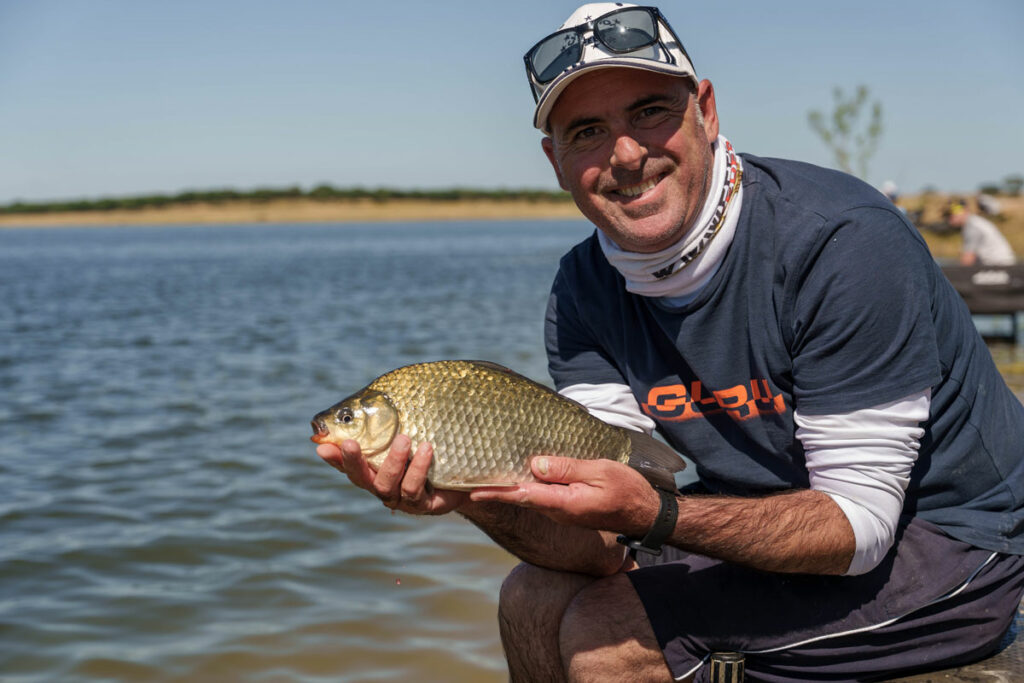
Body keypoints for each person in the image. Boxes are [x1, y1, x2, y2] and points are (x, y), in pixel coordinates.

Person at [316, 4, 1024, 680]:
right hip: (764, 517)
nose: (625, 153)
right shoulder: (582, 288)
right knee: (531, 596)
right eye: (585, 131)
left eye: (650, 112)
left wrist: (660, 513)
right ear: (555, 160)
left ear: (707, 113)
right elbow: (597, 543)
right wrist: (471, 492)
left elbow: (859, 524)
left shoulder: (840, 242)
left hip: (948, 539)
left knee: (607, 634)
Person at [946, 197, 1016, 266]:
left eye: (954, 211)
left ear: (966, 210)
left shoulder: (972, 227)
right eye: (949, 213)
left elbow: (967, 260)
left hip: (1000, 266)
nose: (951, 215)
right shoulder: (974, 222)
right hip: (996, 265)